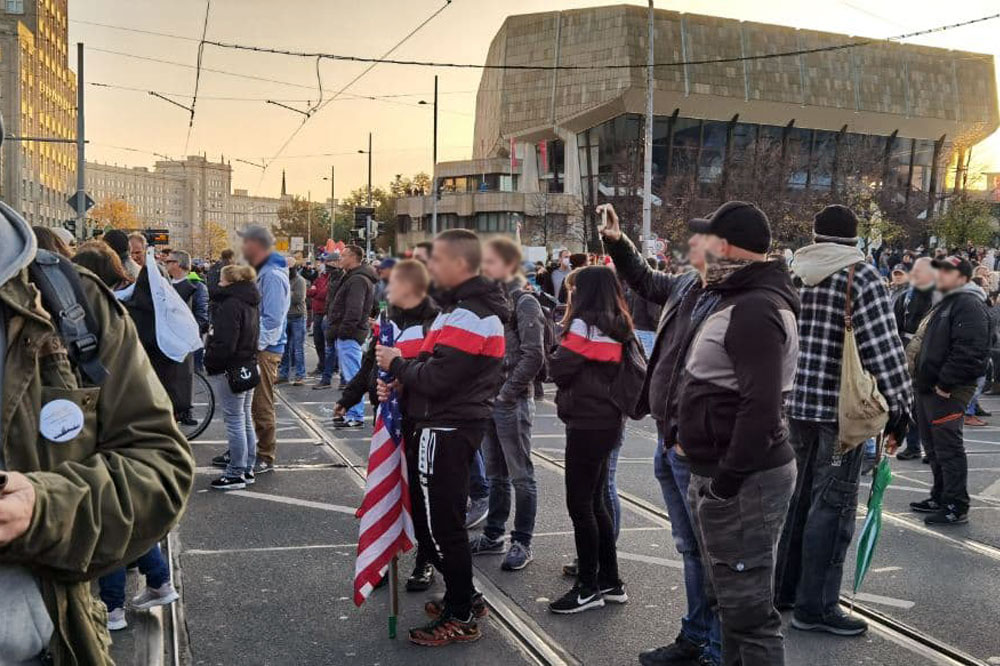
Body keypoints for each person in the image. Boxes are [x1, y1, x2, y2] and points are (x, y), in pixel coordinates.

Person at [0, 150, 193, 662]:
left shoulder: (69, 302)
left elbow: (160, 465)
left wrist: (43, 507)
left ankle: (141, 589)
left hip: (40, 644)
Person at [777, 204, 911, 638]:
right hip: (842, 414)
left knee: (798, 500)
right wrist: (901, 408)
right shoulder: (861, 276)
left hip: (796, 407)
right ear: (854, 238)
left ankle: (785, 589)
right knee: (832, 508)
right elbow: (884, 350)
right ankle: (816, 606)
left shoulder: (793, 273)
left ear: (815, 234)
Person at [677, 201, 800, 665]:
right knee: (731, 607)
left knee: (749, 615)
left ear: (724, 247)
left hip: (744, 482)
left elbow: (761, 408)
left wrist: (725, 485)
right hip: (728, 476)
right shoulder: (744, 298)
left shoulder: (754, 308)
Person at [375, 229, 509, 646]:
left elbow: (439, 377)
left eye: (436, 261)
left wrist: (398, 366)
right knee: (437, 523)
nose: (429, 268)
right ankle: (462, 596)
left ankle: (461, 612)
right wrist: (403, 381)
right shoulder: (458, 311)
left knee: (439, 528)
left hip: (446, 427)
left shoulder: (471, 314)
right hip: (443, 423)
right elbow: (434, 368)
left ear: (460, 264)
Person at [601, 203, 720, 666]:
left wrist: (692, 435)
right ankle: (696, 636)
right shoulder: (689, 285)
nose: (691, 245)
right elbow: (646, 280)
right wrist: (618, 243)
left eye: (700, 239)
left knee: (711, 553)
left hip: (697, 444)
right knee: (690, 548)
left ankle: (715, 648)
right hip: (668, 436)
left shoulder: (735, 299)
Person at [337, 260, 441, 591]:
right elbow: (370, 363)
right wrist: (348, 397)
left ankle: (425, 559)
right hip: (387, 418)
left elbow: (433, 372)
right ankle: (385, 558)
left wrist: (402, 379)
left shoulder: (434, 322)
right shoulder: (388, 322)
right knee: (388, 491)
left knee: (420, 497)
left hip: (419, 419)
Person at [547, 265, 631, 614]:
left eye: (573, 290)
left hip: (586, 421)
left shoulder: (583, 326)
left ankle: (587, 588)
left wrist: (559, 341)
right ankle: (610, 580)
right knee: (596, 503)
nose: (570, 295)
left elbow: (559, 368)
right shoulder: (617, 324)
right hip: (609, 420)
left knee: (580, 505)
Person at [468, 237, 545, 571]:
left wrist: (507, 393)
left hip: (510, 400)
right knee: (496, 474)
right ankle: (494, 534)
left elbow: (534, 354)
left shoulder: (523, 302)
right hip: (489, 398)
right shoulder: (489, 301)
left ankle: (522, 541)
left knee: (520, 475)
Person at [908, 255, 990, 525]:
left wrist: (945, 383)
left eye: (948, 272)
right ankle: (940, 495)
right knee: (933, 447)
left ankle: (956, 504)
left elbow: (970, 350)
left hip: (948, 390)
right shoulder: (945, 302)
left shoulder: (968, 304)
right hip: (928, 386)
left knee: (948, 448)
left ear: (963, 277)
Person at [216, 224, 289, 474]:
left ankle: (265, 454)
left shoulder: (271, 275)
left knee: (260, 404)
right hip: (255, 346)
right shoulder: (259, 271)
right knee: (245, 406)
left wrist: (254, 346)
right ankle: (244, 450)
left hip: (265, 349)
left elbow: (273, 319)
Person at [205, 264, 261, 489]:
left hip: (231, 367)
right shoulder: (249, 301)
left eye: (221, 279)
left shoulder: (230, 304)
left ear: (229, 281)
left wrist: (210, 359)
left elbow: (225, 341)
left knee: (235, 420)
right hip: (247, 364)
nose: (218, 283)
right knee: (244, 417)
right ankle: (246, 467)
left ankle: (236, 471)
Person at [326, 245, 378, 428]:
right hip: (350, 332)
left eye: (344, 255)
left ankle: (355, 415)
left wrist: (344, 331)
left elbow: (354, 309)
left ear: (354, 257)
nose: (340, 259)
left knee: (352, 374)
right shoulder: (354, 277)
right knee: (351, 372)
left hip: (350, 334)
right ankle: (352, 413)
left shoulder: (357, 280)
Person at [894, 257, 938, 461]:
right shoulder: (906, 297)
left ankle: (932, 449)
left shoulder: (940, 297)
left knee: (930, 405)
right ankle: (913, 446)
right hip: (907, 353)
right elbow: (895, 326)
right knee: (912, 404)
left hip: (930, 356)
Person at [316, 252, 345, 388]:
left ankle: (343, 379)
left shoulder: (341, 276)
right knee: (330, 349)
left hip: (338, 318)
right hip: (329, 316)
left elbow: (334, 296)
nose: (325, 265)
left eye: (327, 262)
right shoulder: (331, 276)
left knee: (338, 349)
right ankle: (327, 378)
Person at [278, 263, 308, 386]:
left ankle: (300, 375)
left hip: (298, 317)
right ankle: (283, 374)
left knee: (298, 348)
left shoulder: (300, 280)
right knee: (284, 348)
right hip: (285, 316)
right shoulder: (283, 279)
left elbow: (298, 298)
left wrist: (285, 292)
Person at [307, 253, 335, 376]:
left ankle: (331, 367)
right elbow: (309, 292)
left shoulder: (333, 278)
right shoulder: (320, 277)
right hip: (317, 313)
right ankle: (322, 365)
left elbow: (325, 293)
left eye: (323, 262)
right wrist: (315, 291)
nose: (320, 264)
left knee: (328, 343)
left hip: (326, 314)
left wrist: (316, 292)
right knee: (318, 341)